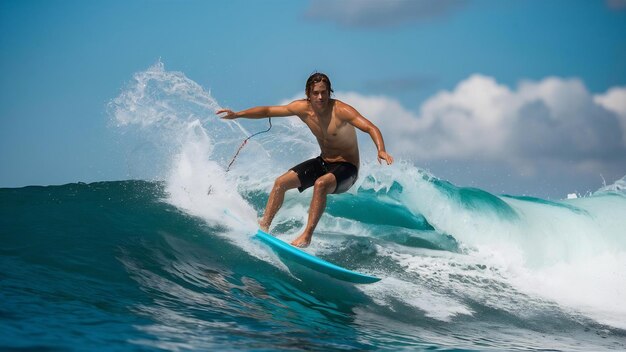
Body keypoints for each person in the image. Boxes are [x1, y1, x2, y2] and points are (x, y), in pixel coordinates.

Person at [217, 73, 393, 247]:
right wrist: (237, 114)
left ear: (329, 92)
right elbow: (268, 110)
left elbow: (371, 127)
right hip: (324, 162)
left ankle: (306, 236)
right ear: (308, 94)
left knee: (320, 184)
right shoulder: (302, 109)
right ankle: (264, 226)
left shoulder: (341, 111)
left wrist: (381, 150)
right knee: (280, 183)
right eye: (316, 93)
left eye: (324, 92)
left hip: (347, 168)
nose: (320, 97)